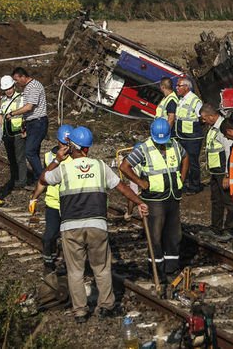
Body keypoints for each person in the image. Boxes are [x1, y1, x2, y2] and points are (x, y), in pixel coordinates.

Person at [30, 126, 148, 323]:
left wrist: (58, 158)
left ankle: (80, 312)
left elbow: (43, 178)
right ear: (87, 148)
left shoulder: (64, 168)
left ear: (71, 147)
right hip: (97, 225)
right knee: (101, 268)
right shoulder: (101, 166)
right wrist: (140, 203)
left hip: (70, 227)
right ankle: (107, 306)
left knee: (75, 271)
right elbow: (122, 188)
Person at [121, 118, 189, 281]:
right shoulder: (144, 148)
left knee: (173, 233)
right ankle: (157, 269)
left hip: (172, 196)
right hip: (154, 198)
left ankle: (172, 267)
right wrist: (140, 182)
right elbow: (124, 166)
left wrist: (182, 178)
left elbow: (185, 157)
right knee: (155, 234)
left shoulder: (174, 144)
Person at [30, 124, 73, 273]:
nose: (65, 147)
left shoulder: (76, 158)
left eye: (68, 144)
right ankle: (49, 264)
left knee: (69, 239)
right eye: (63, 143)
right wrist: (34, 197)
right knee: (49, 236)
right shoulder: (49, 156)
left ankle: (67, 265)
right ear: (58, 141)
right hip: (53, 203)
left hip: (70, 205)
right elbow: (44, 179)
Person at [199, 103, 233, 241]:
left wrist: (228, 174)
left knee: (228, 200)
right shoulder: (212, 128)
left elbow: (228, 150)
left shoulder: (222, 129)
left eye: (204, 118)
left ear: (211, 116)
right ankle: (216, 227)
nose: (203, 121)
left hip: (222, 170)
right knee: (216, 199)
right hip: (215, 170)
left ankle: (230, 229)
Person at [6, 67, 48, 181]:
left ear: (23, 77)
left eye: (16, 79)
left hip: (37, 122)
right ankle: (37, 178)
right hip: (32, 123)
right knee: (34, 152)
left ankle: (42, 179)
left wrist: (13, 113)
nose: (16, 82)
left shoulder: (33, 86)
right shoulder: (27, 87)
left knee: (29, 151)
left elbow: (29, 107)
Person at [174, 77, 203, 195]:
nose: (177, 88)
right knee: (182, 161)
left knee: (192, 162)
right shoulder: (181, 100)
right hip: (182, 136)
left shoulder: (195, 101)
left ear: (186, 87)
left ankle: (195, 186)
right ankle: (184, 184)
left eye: (179, 86)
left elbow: (201, 118)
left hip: (192, 138)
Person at [0, 75, 27, 191]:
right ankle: (14, 178)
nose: (8, 91)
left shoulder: (21, 98)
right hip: (7, 133)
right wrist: (1, 131)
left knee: (20, 157)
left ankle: (22, 181)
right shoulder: (3, 100)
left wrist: (24, 129)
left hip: (18, 132)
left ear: (13, 86)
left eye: (10, 88)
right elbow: (0, 115)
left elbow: (25, 114)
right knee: (11, 158)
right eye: (6, 89)